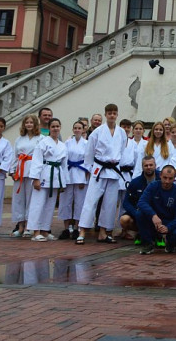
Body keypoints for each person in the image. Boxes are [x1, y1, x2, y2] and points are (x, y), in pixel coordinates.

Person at [76, 104, 127, 245]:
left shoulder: (122, 132)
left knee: (110, 203)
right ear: (106, 114)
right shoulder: (97, 132)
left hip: (114, 170)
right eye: (109, 113)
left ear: (117, 114)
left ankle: (104, 232)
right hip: (99, 168)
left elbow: (122, 150)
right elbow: (89, 152)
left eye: (114, 113)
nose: (112, 115)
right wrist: (90, 169)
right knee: (91, 200)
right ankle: (82, 231)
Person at [27, 117, 68, 241]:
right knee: (37, 204)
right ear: (49, 128)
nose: (55, 129)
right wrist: (36, 178)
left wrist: (63, 182)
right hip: (44, 173)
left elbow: (64, 165)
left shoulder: (62, 145)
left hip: (56, 176)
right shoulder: (43, 142)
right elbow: (37, 160)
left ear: (60, 128)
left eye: (57, 126)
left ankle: (45, 230)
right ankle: (35, 231)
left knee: (50, 206)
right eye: (53, 126)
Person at [136, 165, 176, 254]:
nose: (167, 181)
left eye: (170, 179)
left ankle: (170, 243)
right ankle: (148, 243)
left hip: (169, 221)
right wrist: (153, 215)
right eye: (165, 178)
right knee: (139, 214)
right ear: (160, 175)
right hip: (154, 220)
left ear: (174, 179)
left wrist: (168, 227)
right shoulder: (153, 186)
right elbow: (141, 202)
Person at [11, 114, 41, 238]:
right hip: (20, 169)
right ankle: (21, 226)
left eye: (31, 122)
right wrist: (12, 170)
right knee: (19, 199)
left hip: (32, 168)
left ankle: (29, 226)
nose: (29, 125)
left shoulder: (41, 138)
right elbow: (15, 155)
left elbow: (41, 157)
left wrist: (38, 174)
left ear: (35, 124)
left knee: (30, 199)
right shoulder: (19, 139)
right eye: (26, 123)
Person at [58, 120, 89, 240]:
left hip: (80, 174)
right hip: (68, 173)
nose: (77, 130)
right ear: (73, 130)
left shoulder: (86, 143)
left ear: (83, 130)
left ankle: (77, 228)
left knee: (79, 203)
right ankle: (66, 228)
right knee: (65, 202)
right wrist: (63, 177)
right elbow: (63, 160)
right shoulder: (67, 143)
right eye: (75, 128)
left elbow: (88, 161)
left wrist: (85, 178)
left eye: (79, 128)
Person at [119, 156, 157, 245]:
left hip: (157, 213)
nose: (149, 167)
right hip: (140, 212)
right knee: (124, 219)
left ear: (155, 165)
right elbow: (126, 202)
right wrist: (136, 213)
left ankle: (157, 234)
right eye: (146, 165)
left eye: (151, 165)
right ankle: (141, 232)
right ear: (142, 167)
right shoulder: (135, 182)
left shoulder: (162, 179)